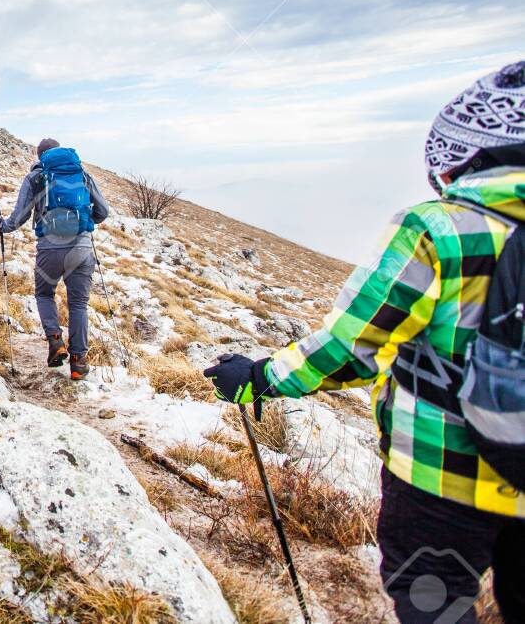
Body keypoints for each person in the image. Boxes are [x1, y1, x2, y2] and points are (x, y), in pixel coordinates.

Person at [205, 61, 525, 624]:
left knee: (436, 604)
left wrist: (259, 376)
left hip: (439, 474)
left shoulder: (440, 229)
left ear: (471, 153)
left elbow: (354, 346)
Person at [0, 138, 110, 379]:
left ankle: (56, 341)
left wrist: (1, 226)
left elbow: (18, 218)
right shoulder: (81, 174)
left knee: (44, 294)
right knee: (78, 304)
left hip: (49, 248)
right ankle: (79, 362)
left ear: (40, 157)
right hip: (81, 248)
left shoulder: (35, 178)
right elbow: (103, 211)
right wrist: (83, 222)